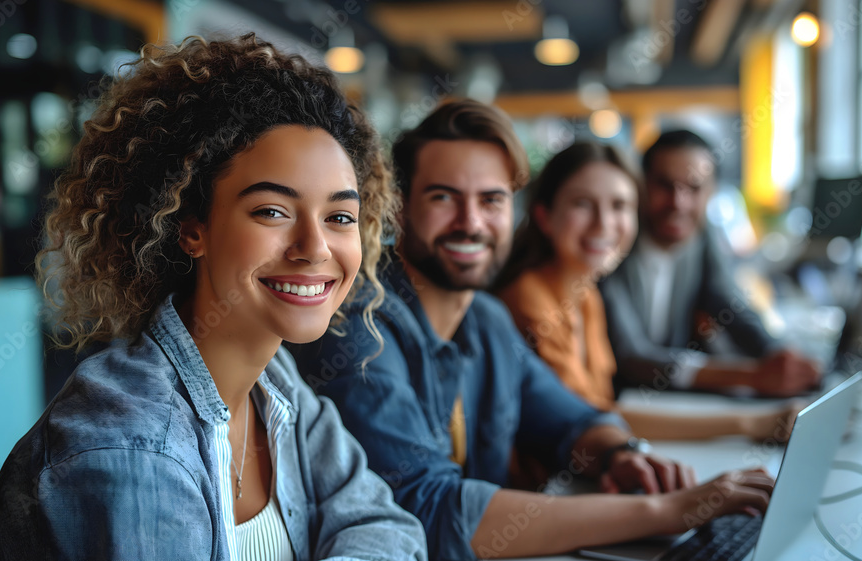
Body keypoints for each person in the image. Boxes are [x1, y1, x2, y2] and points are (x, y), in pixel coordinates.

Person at [0, 34, 426, 561]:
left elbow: (387, 524)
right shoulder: (130, 443)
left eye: (339, 217)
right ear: (192, 230)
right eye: (272, 211)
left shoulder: (277, 389)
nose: (315, 248)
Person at [289, 100, 775, 561]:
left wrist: (620, 452)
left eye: (492, 200)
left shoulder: (485, 319)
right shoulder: (356, 328)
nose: (471, 222)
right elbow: (430, 510)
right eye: (443, 197)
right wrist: (668, 510)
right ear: (399, 208)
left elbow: (573, 418)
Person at [494, 142, 800, 441]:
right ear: (544, 216)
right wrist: (752, 423)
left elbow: (605, 410)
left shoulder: (586, 295)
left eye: (619, 206)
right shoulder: (530, 299)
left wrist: (780, 359)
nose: (604, 225)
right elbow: (593, 419)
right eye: (583, 204)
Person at [600, 130, 821, 396]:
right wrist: (752, 376)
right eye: (664, 185)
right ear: (641, 185)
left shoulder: (701, 236)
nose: (678, 203)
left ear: (712, 192)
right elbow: (631, 357)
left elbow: (731, 304)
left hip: (673, 400)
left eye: (694, 188)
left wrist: (781, 355)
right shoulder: (610, 244)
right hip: (621, 402)